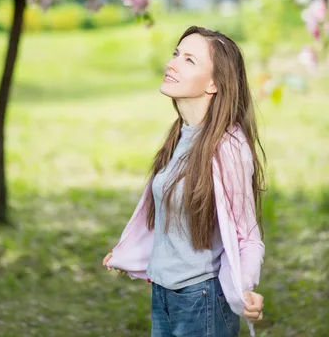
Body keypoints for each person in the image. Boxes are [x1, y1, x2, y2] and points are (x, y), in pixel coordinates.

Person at [103, 26, 266, 337]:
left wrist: (245, 289)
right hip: (163, 295)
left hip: (202, 300)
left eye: (189, 60)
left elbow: (248, 236)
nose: (173, 63)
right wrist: (127, 254)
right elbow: (164, 217)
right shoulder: (179, 136)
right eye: (176, 54)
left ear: (214, 84)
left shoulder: (228, 147)